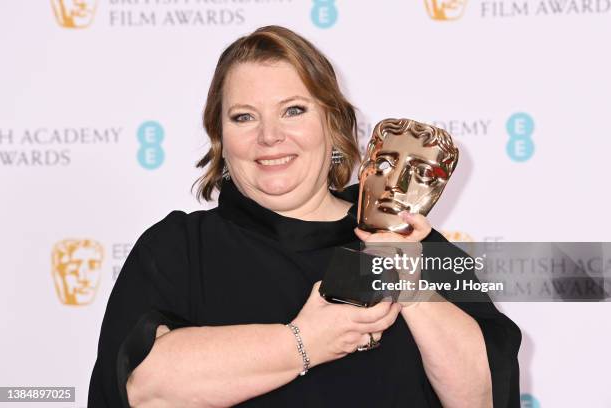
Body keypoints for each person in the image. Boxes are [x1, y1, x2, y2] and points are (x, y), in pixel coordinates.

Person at [87, 25, 521, 408]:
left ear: (332, 124)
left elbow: (481, 398)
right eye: (244, 117)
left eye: (293, 110)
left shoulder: (416, 243)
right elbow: (141, 389)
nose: (270, 136)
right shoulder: (179, 247)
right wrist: (304, 342)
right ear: (220, 138)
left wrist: (409, 283)